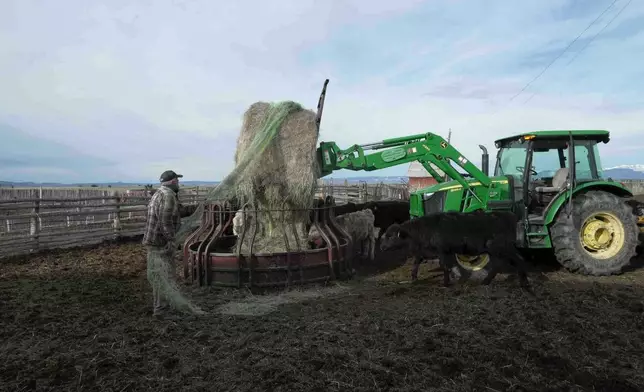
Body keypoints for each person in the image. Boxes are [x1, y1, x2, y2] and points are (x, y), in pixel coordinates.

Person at [142, 170, 184, 319]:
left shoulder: (159, 193)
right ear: (173, 182)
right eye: (177, 181)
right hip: (160, 243)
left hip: (153, 241)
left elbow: (177, 212)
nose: (179, 183)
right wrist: (172, 240)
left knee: (160, 275)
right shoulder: (168, 196)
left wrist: (200, 207)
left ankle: (162, 307)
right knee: (164, 275)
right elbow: (165, 221)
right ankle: (161, 310)